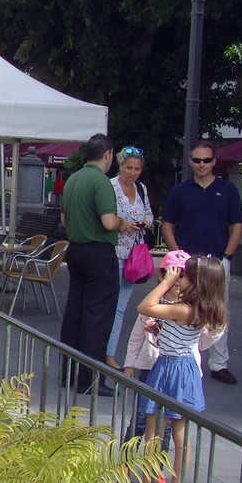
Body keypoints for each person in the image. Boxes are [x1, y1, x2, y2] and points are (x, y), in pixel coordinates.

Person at [137, 254, 228, 483]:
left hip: (170, 368)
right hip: (186, 368)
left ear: (197, 282)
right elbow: (175, 330)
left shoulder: (183, 309)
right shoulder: (200, 308)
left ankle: (150, 480)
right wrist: (159, 328)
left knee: (154, 430)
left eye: (186, 275)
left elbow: (144, 306)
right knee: (181, 435)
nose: (181, 278)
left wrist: (166, 282)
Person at [160, 141, 242, 384]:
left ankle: (219, 364)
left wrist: (227, 255)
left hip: (216, 261)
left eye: (206, 160)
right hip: (188, 263)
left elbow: (237, 224)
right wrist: (178, 256)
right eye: (197, 160)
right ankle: (183, 355)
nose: (202, 164)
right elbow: (167, 224)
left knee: (218, 310)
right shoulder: (180, 191)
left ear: (214, 162)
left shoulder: (227, 190)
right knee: (182, 307)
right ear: (190, 162)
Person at [59, 134, 126, 396]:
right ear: (108, 153)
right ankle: (90, 380)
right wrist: (122, 222)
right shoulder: (101, 182)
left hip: (75, 251)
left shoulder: (73, 179)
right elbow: (109, 222)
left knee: (74, 313)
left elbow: (64, 220)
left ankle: (68, 373)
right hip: (99, 252)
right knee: (97, 317)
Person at [106, 146, 154, 369]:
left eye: (137, 168)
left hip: (133, 256)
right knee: (107, 303)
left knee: (121, 307)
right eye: (129, 168)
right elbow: (105, 216)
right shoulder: (110, 186)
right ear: (120, 166)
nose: (133, 172)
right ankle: (103, 350)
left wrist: (143, 223)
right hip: (113, 252)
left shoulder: (141, 189)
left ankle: (110, 353)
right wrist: (121, 224)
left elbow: (150, 217)